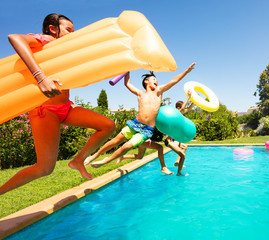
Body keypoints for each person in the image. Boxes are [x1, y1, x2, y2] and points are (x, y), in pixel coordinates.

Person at [0, 14, 116, 195]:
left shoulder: (64, 50)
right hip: (45, 110)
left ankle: (78, 160)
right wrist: (40, 77)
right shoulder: (45, 40)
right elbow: (14, 38)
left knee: (108, 125)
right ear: (53, 29)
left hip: (66, 107)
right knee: (44, 168)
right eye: (68, 29)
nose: (72, 33)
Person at [83, 63, 196, 171]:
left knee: (127, 146)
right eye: (154, 79)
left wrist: (186, 71)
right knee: (115, 141)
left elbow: (174, 81)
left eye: (156, 80)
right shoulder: (140, 93)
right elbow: (127, 83)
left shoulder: (158, 92)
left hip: (146, 131)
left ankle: (106, 161)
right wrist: (127, 70)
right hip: (134, 124)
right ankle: (94, 156)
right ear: (146, 81)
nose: (156, 81)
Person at [87, 139, 174, 175]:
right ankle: (163, 167)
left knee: (140, 157)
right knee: (160, 147)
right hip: (143, 138)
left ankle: (123, 157)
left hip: (143, 138)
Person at [164, 90, 194, 176]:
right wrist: (188, 97)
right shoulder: (175, 114)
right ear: (178, 108)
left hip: (174, 140)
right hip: (169, 141)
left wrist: (194, 101)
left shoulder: (179, 116)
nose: (184, 109)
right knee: (183, 155)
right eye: (182, 108)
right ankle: (179, 173)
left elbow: (188, 109)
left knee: (185, 146)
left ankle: (177, 162)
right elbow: (183, 108)